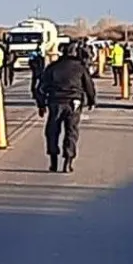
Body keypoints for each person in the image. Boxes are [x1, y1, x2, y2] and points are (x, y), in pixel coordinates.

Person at [36, 43, 96, 173]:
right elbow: (89, 85)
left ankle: (53, 161)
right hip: (74, 102)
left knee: (52, 131)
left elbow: (41, 87)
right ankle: (68, 162)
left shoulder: (52, 67)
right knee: (71, 131)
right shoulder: (80, 68)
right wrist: (91, 100)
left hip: (55, 102)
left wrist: (41, 104)